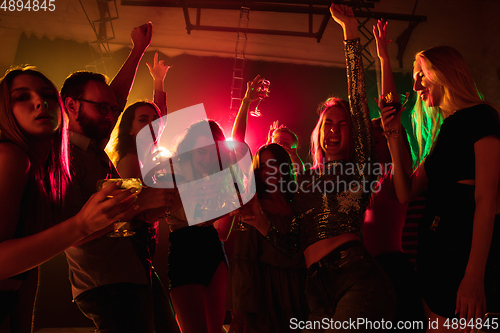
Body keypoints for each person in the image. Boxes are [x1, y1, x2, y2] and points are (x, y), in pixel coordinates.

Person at [240, 5, 395, 332]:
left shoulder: (358, 168)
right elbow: (295, 247)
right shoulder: (304, 182)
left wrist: (350, 32)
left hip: (355, 277)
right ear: (318, 132)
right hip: (315, 290)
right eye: (328, 123)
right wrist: (261, 223)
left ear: (355, 134)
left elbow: (356, 96)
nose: (335, 129)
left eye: (343, 124)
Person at [0, 67, 139, 332]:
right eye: (21, 97)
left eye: (47, 95)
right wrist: (82, 225)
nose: (39, 102)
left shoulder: (44, 166)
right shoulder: (11, 157)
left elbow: (25, 268)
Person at [60, 23, 179, 332]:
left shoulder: (92, 148)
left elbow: (117, 99)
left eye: (113, 110)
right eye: (103, 109)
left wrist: (138, 49)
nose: (111, 114)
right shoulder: (65, 158)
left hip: (132, 270)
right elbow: (69, 232)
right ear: (71, 107)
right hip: (107, 281)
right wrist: (140, 205)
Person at [380, 39, 500, 333]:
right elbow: (405, 192)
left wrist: (474, 275)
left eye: (421, 74)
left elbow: (487, 200)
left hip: (463, 260)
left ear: (443, 71)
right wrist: (393, 135)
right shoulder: (442, 132)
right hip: (435, 263)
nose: (417, 85)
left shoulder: (481, 115)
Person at [106, 51, 180, 333]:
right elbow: (132, 211)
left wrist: (159, 82)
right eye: (141, 120)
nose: (150, 124)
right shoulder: (129, 159)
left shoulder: (146, 155)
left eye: (153, 120)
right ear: (129, 128)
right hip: (130, 255)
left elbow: (159, 119)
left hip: (142, 255)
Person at [361, 19, 426, 331]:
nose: (377, 143)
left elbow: (391, 112)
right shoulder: (362, 180)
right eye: (372, 140)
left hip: (390, 271)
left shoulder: (393, 176)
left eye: (379, 139)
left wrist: (384, 57)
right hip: (364, 272)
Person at [227, 143, 309, 333]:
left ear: (284, 165)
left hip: (300, 293)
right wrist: (239, 316)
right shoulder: (254, 206)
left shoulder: (298, 204)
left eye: (274, 163)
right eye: (263, 166)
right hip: (267, 296)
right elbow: (243, 260)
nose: (269, 171)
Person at [166, 119, 235, 333]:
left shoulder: (218, 178)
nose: (207, 158)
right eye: (201, 151)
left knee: (215, 330)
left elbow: (222, 233)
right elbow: (155, 213)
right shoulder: (174, 172)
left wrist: (231, 206)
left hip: (213, 248)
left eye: (213, 152)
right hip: (184, 249)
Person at [232, 75, 304, 173]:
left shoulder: (293, 180)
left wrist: (295, 161)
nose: (280, 146)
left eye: (285, 143)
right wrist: (246, 101)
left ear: (294, 151)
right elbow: (237, 141)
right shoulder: (258, 173)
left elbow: (303, 177)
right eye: (277, 142)